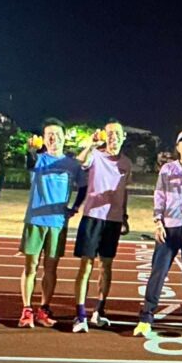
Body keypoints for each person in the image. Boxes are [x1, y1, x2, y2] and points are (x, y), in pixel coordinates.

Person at [133, 129, 182, 339]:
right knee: (158, 273)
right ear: (177, 147)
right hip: (169, 227)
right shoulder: (168, 169)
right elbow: (159, 195)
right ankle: (146, 318)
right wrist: (157, 222)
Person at [19, 118, 86, 328]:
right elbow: (30, 162)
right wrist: (30, 150)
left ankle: (44, 308)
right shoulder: (38, 159)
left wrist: (75, 207)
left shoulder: (72, 164)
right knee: (31, 266)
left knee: (51, 268)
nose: (53, 138)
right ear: (44, 138)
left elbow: (83, 186)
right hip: (35, 220)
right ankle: (26, 309)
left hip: (57, 222)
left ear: (64, 138)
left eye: (57, 134)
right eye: (49, 135)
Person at [71, 120, 132, 333]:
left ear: (124, 137)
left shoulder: (127, 163)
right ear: (105, 136)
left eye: (118, 133)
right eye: (110, 133)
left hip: (113, 220)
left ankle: (99, 310)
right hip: (92, 217)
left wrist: (124, 215)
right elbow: (80, 161)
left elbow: (124, 191)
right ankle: (80, 314)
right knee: (86, 265)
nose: (114, 136)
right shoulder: (96, 155)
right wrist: (91, 143)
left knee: (106, 266)